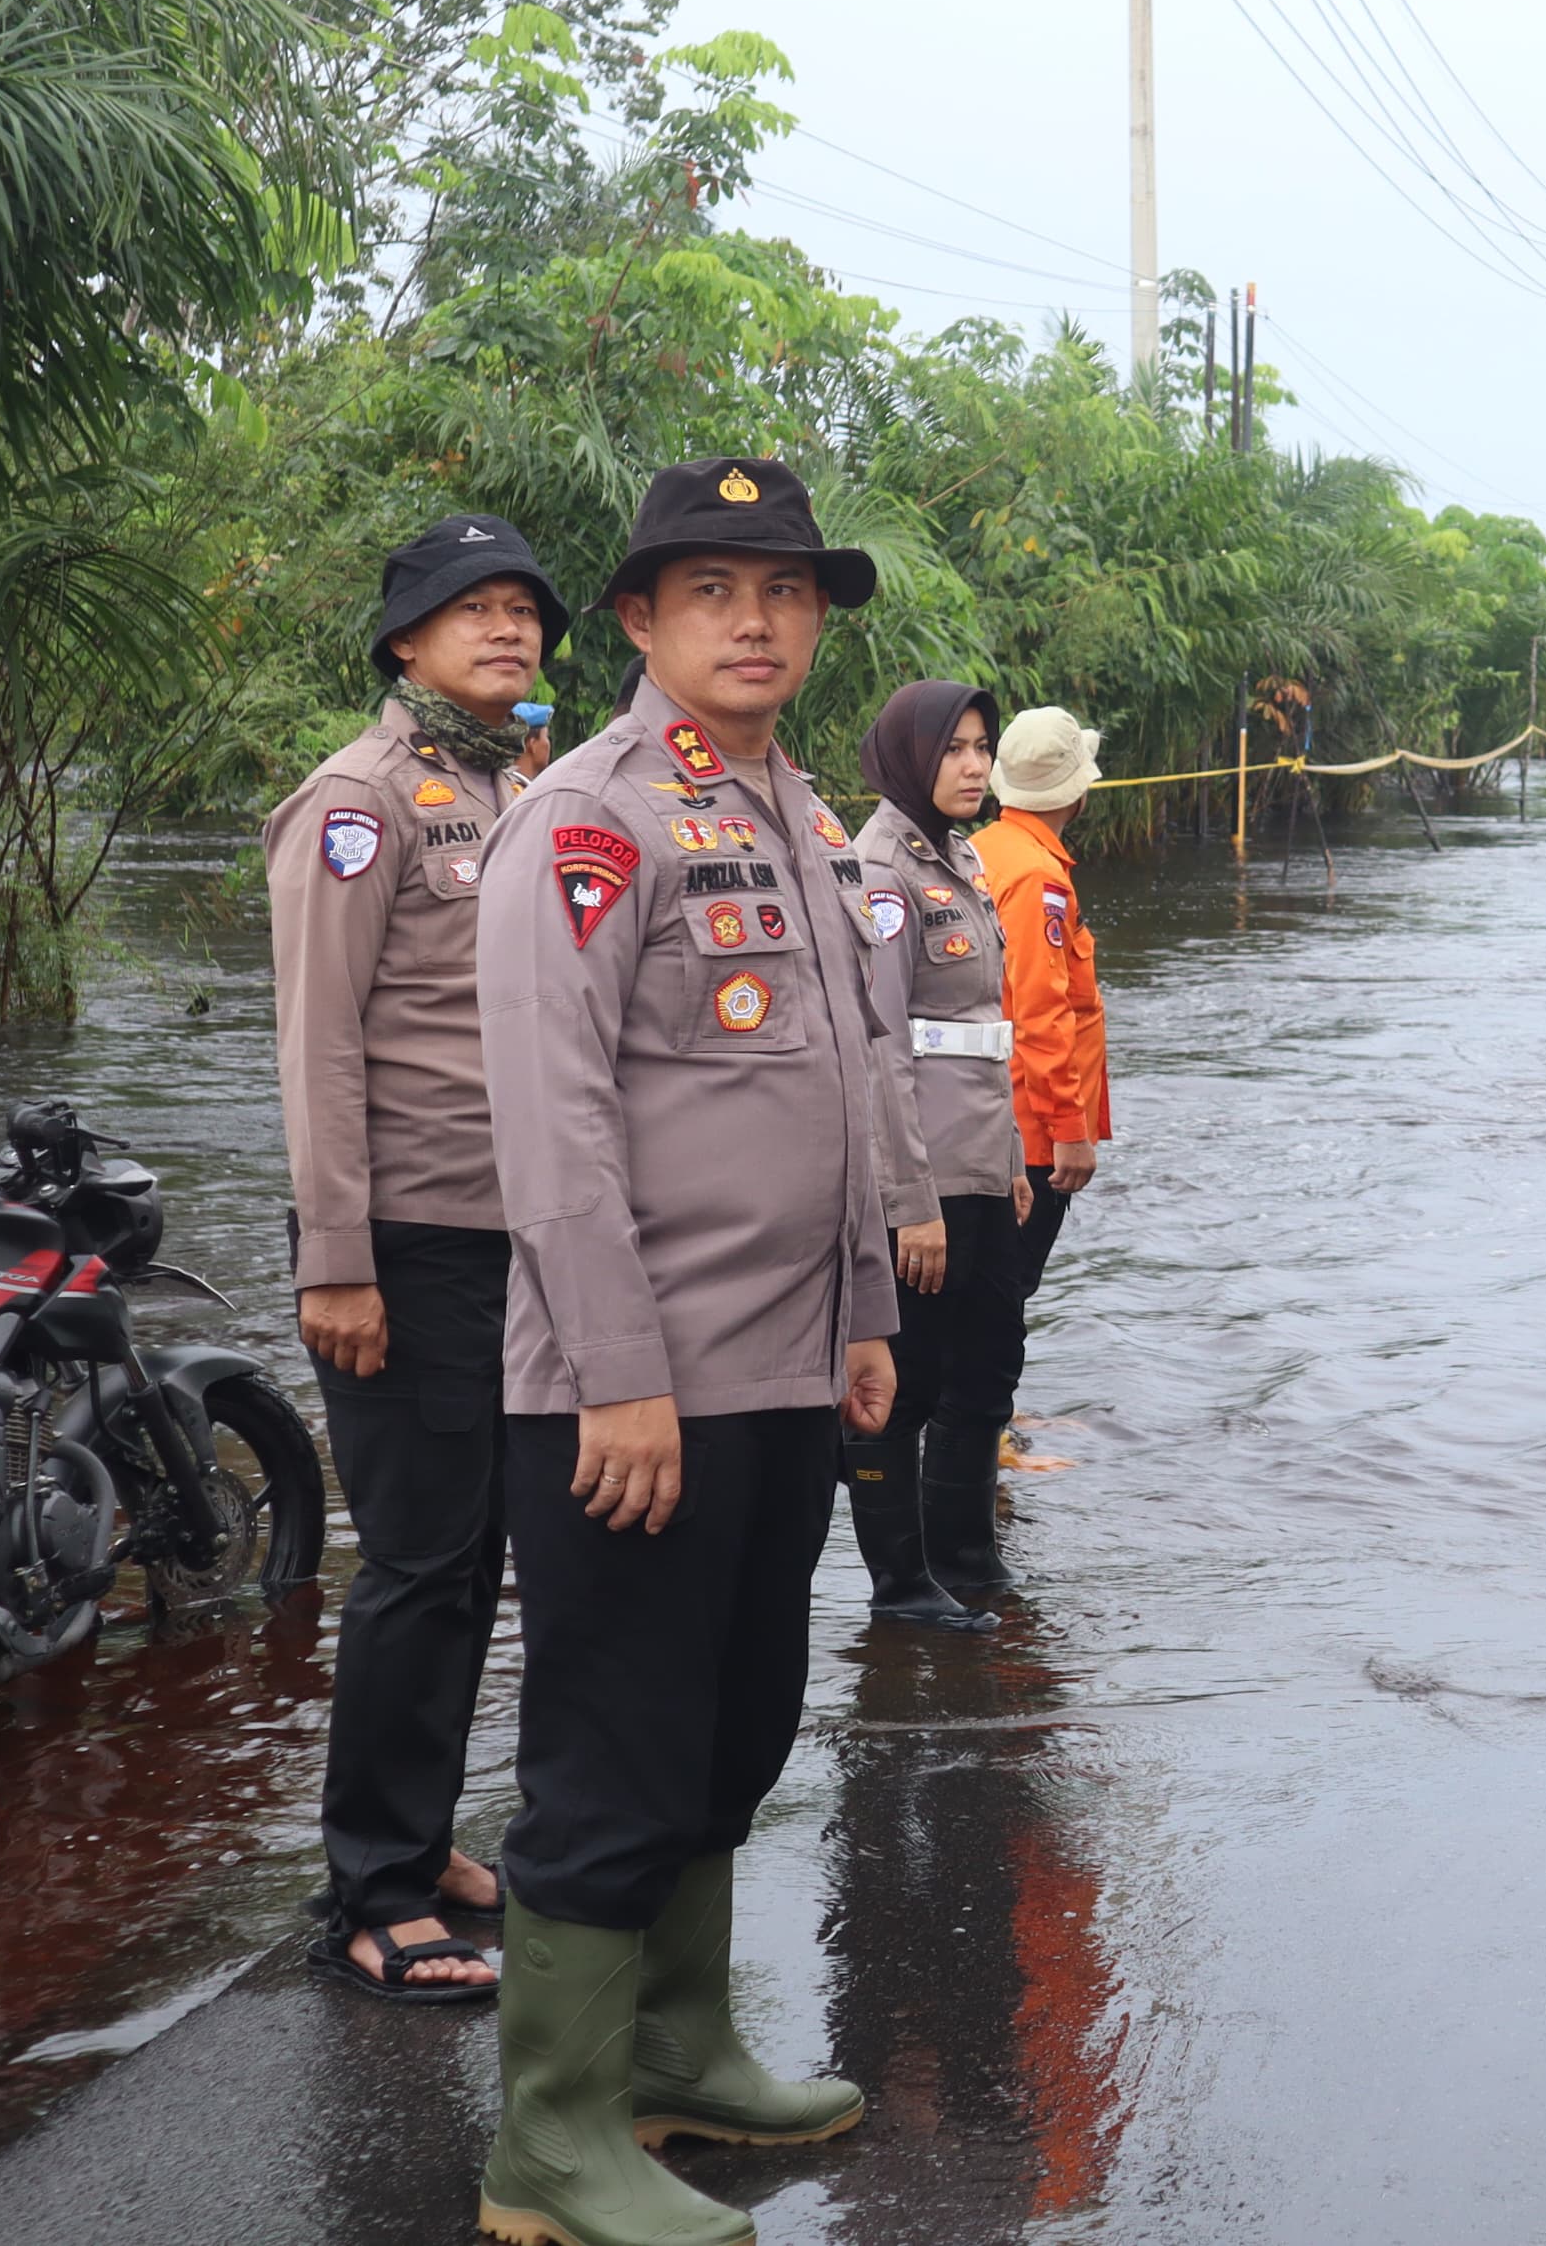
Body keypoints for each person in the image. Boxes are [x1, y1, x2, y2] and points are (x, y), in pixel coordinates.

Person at [472, 457, 904, 2246]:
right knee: (613, 1745)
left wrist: (869, 1312)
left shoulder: (799, 813)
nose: (759, 618)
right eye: (714, 587)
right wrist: (617, 1372)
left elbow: (851, 1089)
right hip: (634, 1386)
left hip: (788, 1372)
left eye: (788, 589)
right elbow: (553, 1122)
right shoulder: (588, 818)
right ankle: (550, 2142)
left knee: (732, 1725)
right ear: (638, 617)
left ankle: (680, 2046)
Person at [265, 510, 568, 2008]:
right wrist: (337, 1260)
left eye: (524, 611)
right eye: (475, 610)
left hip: (520, 1239)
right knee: (416, 1563)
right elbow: (318, 1044)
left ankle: (427, 1838)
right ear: (407, 639)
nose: (508, 630)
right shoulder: (361, 801)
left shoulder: (526, 786)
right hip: (406, 1239)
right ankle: (373, 1895)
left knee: (479, 1559)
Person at [840, 681, 1033, 1631]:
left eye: (981, 747)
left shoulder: (961, 859)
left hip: (980, 1165)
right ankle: (902, 1584)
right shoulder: (881, 870)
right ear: (910, 758)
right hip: (920, 1180)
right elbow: (880, 1044)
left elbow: (986, 1032)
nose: (972, 765)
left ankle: (968, 1557)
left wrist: (1013, 1159)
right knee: (907, 1384)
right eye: (953, 749)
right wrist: (907, 1199)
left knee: (991, 1363)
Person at [974, 704, 1112, 1530]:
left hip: (998, 1111)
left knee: (997, 1281)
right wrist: (1070, 1127)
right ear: (1078, 790)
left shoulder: (994, 849)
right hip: (1030, 1121)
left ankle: (997, 1419)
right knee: (1007, 1286)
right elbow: (1043, 1009)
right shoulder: (1039, 876)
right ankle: (989, 1435)